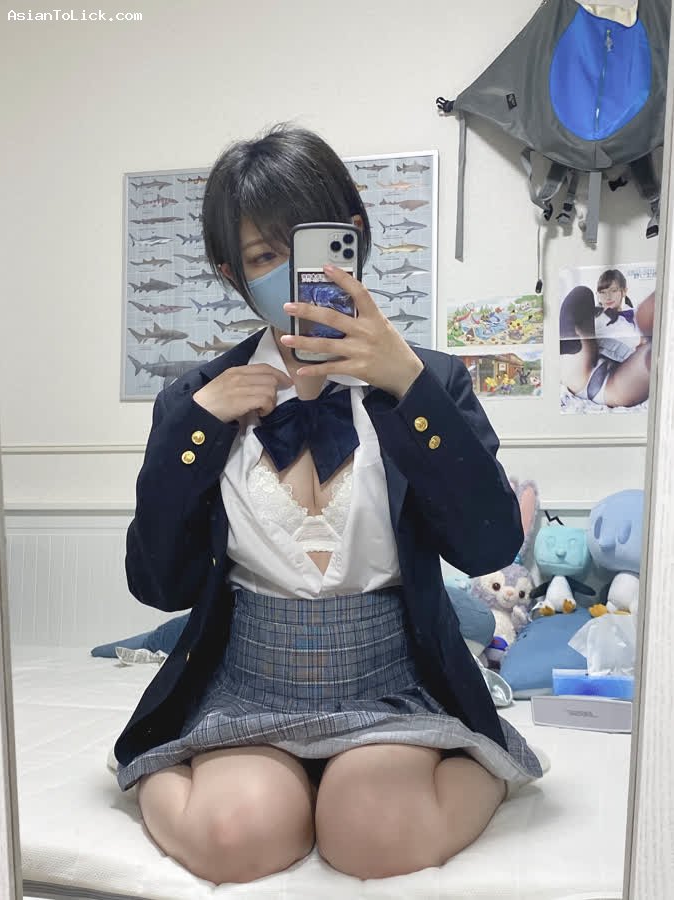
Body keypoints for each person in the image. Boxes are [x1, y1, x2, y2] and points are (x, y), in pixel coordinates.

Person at [114, 123, 544, 885]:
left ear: (352, 236)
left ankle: (484, 752)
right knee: (234, 839)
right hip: (247, 683)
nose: (290, 274)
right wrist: (193, 432)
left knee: (374, 837)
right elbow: (160, 585)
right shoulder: (195, 401)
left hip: (391, 681)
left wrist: (406, 385)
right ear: (232, 273)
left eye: (306, 246)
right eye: (261, 257)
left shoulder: (430, 383)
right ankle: (167, 761)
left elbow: (486, 546)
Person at [559, 268, 654, 407]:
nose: (608, 297)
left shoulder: (635, 315)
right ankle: (564, 342)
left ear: (624, 291)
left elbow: (643, 342)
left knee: (651, 350)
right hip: (583, 370)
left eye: (613, 291)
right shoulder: (594, 315)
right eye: (602, 292)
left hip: (615, 383)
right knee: (582, 292)